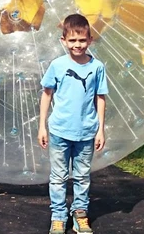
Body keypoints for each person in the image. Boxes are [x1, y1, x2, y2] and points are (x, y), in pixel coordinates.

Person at [38, 14, 108, 234]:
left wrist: (100, 129)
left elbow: (100, 97)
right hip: (60, 131)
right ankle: (58, 216)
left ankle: (80, 214)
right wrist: (42, 126)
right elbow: (47, 94)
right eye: (72, 40)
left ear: (90, 40)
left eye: (81, 40)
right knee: (58, 177)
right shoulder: (57, 65)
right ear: (63, 41)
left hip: (86, 132)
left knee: (82, 176)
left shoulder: (97, 67)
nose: (77, 45)